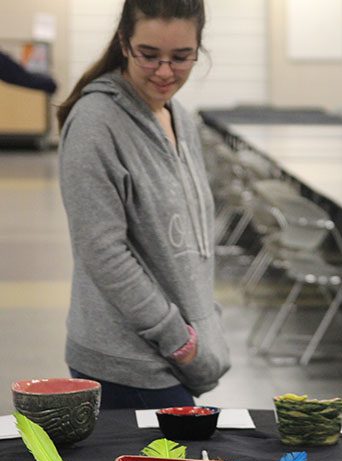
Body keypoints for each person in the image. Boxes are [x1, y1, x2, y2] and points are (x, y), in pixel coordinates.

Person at [56, 0, 230, 409]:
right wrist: (180, 340)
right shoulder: (95, 123)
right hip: (124, 363)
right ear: (124, 43)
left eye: (181, 57)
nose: (165, 71)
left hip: (177, 357)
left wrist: (204, 331)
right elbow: (102, 250)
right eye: (149, 55)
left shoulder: (180, 118)